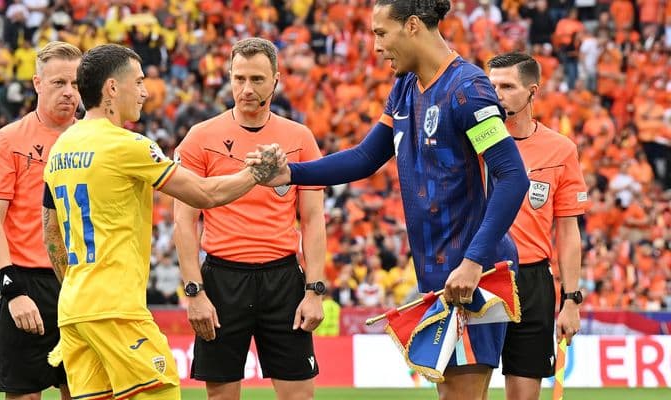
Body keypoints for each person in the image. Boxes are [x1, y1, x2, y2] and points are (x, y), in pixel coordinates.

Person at [248, 1, 529, 399]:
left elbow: (513, 175)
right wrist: (291, 173)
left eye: (382, 33)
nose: (376, 45)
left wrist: (472, 262)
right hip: (439, 274)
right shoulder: (404, 89)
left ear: (412, 26)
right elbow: (366, 157)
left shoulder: (468, 90)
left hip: (475, 272)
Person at [41, 44, 284, 400]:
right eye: (138, 82)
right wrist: (256, 173)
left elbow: (51, 232)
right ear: (112, 88)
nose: (144, 92)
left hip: (74, 308)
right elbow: (204, 194)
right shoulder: (128, 145)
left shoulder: (62, 146)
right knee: (162, 391)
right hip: (116, 308)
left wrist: (76, 287)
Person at [173, 37, 326, 400]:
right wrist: (194, 292)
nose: (246, 89)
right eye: (239, 78)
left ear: (276, 79)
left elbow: (314, 219)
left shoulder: (299, 137)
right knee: (222, 395)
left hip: (283, 278)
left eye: (257, 79)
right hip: (223, 279)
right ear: (228, 77)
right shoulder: (201, 137)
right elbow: (184, 220)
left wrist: (315, 291)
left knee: (300, 395)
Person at [0, 41, 82, 400]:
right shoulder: (9, 140)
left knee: (85, 391)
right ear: (38, 83)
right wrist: (12, 290)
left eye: (76, 83)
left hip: (81, 281)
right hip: (27, 281)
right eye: (58, 83)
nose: (69, 92)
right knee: (24, 393)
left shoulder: (96, 139)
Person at [487, 52, 589, 400]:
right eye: (492, 86)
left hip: (532, 280)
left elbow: (568, 230)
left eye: (507, 86)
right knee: (467, 392)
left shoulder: (560, 149)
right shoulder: (472, 143)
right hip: (480, 276)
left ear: (533, 92)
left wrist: (572, 299)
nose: (497, 93)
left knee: (524, 395)